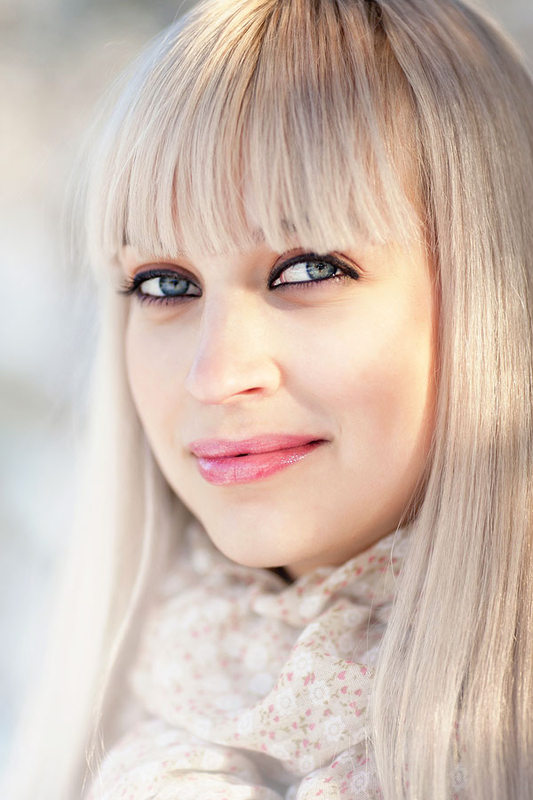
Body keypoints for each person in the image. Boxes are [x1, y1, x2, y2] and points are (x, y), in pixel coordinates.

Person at [3, 0, 533, 797]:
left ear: (495, 291)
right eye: (165, 284)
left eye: (308, 269)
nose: (215, 375)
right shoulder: (108, 721)